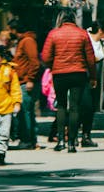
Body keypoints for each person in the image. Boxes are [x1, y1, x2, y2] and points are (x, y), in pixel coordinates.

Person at [41, 8, 97, 153]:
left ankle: (60, 141)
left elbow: (46, 57)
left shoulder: (53, 34)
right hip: (78, 73)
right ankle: (72, 143)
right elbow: (91, 58)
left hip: (59, 74)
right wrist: (93, 76)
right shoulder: (82, 34)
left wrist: (54, 65)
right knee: (75, 107)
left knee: (61, 106)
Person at [10, 19, 41, 149]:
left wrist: (30, 79)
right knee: (26, 111)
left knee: (25, 111)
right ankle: (29, 139)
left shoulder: (27, 41)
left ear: (15, 29)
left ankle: (27, 139)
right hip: (21, 80)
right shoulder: (23, 41)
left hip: (25, 81)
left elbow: (34, 61)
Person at [79, 20, 104, 147]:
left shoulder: (101, 43)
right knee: (82, 106)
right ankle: (70, 134)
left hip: (96, 78)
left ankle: (86, 135)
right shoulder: (85, 39)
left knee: (90, 108)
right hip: (84, 77)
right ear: (101, 30)